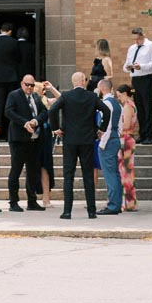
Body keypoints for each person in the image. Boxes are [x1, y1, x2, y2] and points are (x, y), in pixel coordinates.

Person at [46, 70, 107, 220]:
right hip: (87, 140)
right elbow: (106, 110)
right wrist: (101, 130)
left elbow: (52, 110)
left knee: (68, 176)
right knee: (88, 175)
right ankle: (91, 211)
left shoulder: (66, 96)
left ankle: (67, 211)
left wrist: (56, 128)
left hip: (70, 140)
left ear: (73, 83)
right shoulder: (92, 97)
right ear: (83, 82)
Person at [4, 74, 44, 211]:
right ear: (22, 84)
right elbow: (9, 112)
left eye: (32, 85)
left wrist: (36, 121)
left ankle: (32, 200)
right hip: (18, 139)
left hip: (34, 139)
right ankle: (13, 202)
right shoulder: (14, 95)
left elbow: (44, 113)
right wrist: (24, 123)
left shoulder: (36, 97)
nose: (29, 87)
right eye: (27, 84)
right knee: (16, 170)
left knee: (33, 171)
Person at [123, 27, 152, 145]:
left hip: (147, 78)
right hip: (135, 78)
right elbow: (126, 64)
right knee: (139, 106)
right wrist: (127, 67)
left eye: (138, 39)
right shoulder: (132, 48)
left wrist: (141, 66)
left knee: (147, 106)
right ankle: (142, 133)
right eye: (134, 39)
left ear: (143, 35)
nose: (136, 42)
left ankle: (150, 135)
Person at [96, 78, 123, 215]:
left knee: (110, 174)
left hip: (107, 140)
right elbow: (119, 126)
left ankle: (112, 205)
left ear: (101, 88)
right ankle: (117, 203)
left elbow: (105, 125)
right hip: (115, 138)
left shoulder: (105, 104)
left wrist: (102, 144)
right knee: (115, 173)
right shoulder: (118, 104)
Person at [0, 22, 21, 127]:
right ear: (10, 31)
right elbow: (19, 60)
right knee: (12, 106)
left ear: (1, 31)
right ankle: (10, 132)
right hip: (12, 78)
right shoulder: (15, 43)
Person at [34, 80, 60, 208]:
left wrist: (51, 88)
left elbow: (61, 98)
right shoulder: (30, 102)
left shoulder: (45, 101)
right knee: (36, 167)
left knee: (45, 167)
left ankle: (46, 199)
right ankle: (37, 198)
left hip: (44, 136)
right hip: (34, 136)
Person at [116, 83, 139, 210]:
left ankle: (127, 203)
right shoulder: (130, 105)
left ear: (125, 94)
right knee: (126, 171)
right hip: (127, 139)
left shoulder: (128, 106)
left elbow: (126, 125)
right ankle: (129, 202)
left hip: (125, 139)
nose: (119, 98)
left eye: (119, 96)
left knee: (125, 172)